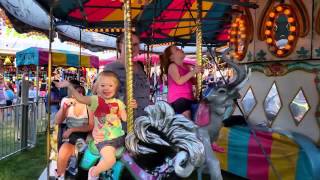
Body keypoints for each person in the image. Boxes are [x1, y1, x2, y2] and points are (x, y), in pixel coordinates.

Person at [55, 71, 127, 180]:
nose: (106, 88)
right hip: (91, 138)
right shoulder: (88, 101)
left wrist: (129, 108)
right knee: (109, 159)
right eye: (103, 85)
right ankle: (85, 173)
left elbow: (123, 118)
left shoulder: (113, 103)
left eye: (110, 85)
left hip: (108, 136)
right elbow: (58, 119)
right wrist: (68, 91)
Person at [103, 33, 150, 119]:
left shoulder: (139, 67)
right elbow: (102, 96)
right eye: (128, 43)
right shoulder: (111, 68)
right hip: (122, 120)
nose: (132, 47)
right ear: (120, 45)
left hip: (143, 118)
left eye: (136, 45)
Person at [55, 80, 94, 179]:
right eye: (76, 93)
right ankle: (61, 175)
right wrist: (64, 109)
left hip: (84, 135)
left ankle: (75, 167)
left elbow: (90, 126)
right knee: (63, 153)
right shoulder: (67, 104)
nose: (78, 95)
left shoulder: (88, 106)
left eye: (80, 93)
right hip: (71, 138)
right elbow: (57, 121)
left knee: (80, 149)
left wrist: (72, 129)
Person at [159, 45, 201, 119]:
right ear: (171, 57)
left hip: (189, 98)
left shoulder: (186, 67)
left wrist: (198, 75)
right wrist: (194, 71)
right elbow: (179, 81)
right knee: (187, 115)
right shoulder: (172, 66)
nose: (180, 49)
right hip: (178, 99)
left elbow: (192, 81)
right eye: (177, 49)